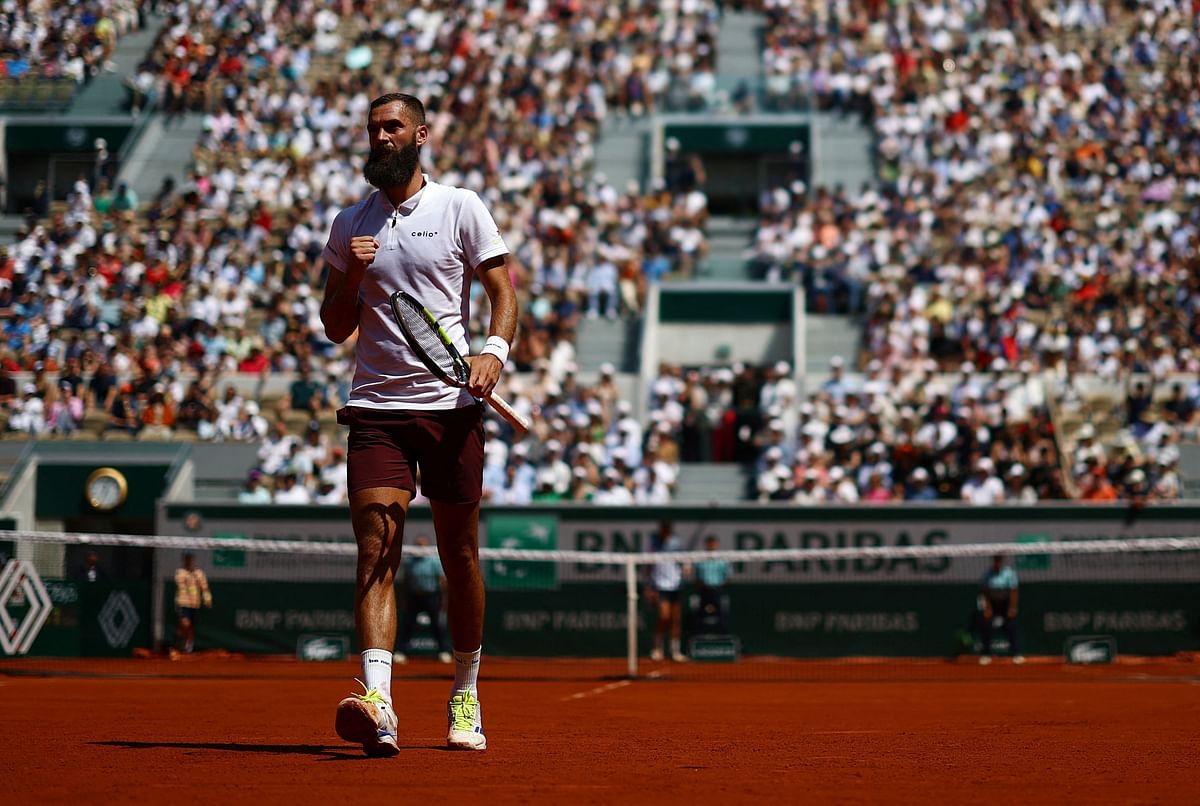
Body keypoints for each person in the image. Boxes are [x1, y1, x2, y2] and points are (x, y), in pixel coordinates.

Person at [321, 93, 515, 756]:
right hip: (376, 409)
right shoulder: (349, 223)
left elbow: (503, 293)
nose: (380, 136)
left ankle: (466, 691)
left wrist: (494, 352)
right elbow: (333, 325)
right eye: (373, 127)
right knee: (376, 545)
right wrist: (354, 275)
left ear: (420, 135)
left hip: (452, 412)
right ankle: (378, 701)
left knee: (460, 556)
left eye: (391, 126)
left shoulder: (461, 206)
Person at [393, 535, 452, 665]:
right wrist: (404, 598)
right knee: (407, 624)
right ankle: (401, 652)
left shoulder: (434, 560)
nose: (420, 548)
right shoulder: (409, 562)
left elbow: (442, 580)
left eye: (422, 545)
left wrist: (444, 598)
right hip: (413, 597)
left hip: (431, 596)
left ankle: (444, 651)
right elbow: (405, 581)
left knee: (437, 625)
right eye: (418, 545)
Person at [646, 520, 687, 662]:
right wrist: (649, 586)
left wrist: (686, 568)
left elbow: (685, 561)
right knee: (664, 616)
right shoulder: (653, 544)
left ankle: (675, 650)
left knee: (675, 619)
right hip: (659, 585)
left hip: (676, 585)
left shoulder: (677, 543)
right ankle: (656, 648)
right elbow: (648, 566)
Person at [978, 554, 1023, 666]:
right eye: (996, 560)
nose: (997, 563)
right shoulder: (987, 575)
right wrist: (987, 608)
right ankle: (986, 655)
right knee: (986, 626)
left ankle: (1016, 654)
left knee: (1012, 627)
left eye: (999, 561)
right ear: (993, 561)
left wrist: (1012, 608)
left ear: (1002, 562)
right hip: (992, 605)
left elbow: (1013, 591)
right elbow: (984, 593)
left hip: (1005, 604)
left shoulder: (1009, 573)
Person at [174, 553, 212, 654]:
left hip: (195, 604)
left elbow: (204, 587)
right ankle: (181, 640)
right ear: (184, 560)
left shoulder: (199, 573)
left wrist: (207, 599)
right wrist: (190, 579)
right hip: (183, 603)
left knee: (190, 626)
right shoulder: (180, 572)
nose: (189, 562)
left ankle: (188, 644)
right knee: (185, 623)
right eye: (187, 560)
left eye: (191, 560)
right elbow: (181, 584)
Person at [692, 535, 730, 634]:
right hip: (704, 590)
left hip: (718, 590)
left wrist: (720, 587)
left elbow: (727, 576)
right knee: (699, 615)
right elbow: (696, 576)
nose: (711, 545)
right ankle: (699, 636)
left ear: (716, 544)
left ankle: (722, 637)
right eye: (709, 543)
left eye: (713, 543)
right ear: (706, 544)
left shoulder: (722, 559)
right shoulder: (700, 559)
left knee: (721, 615)